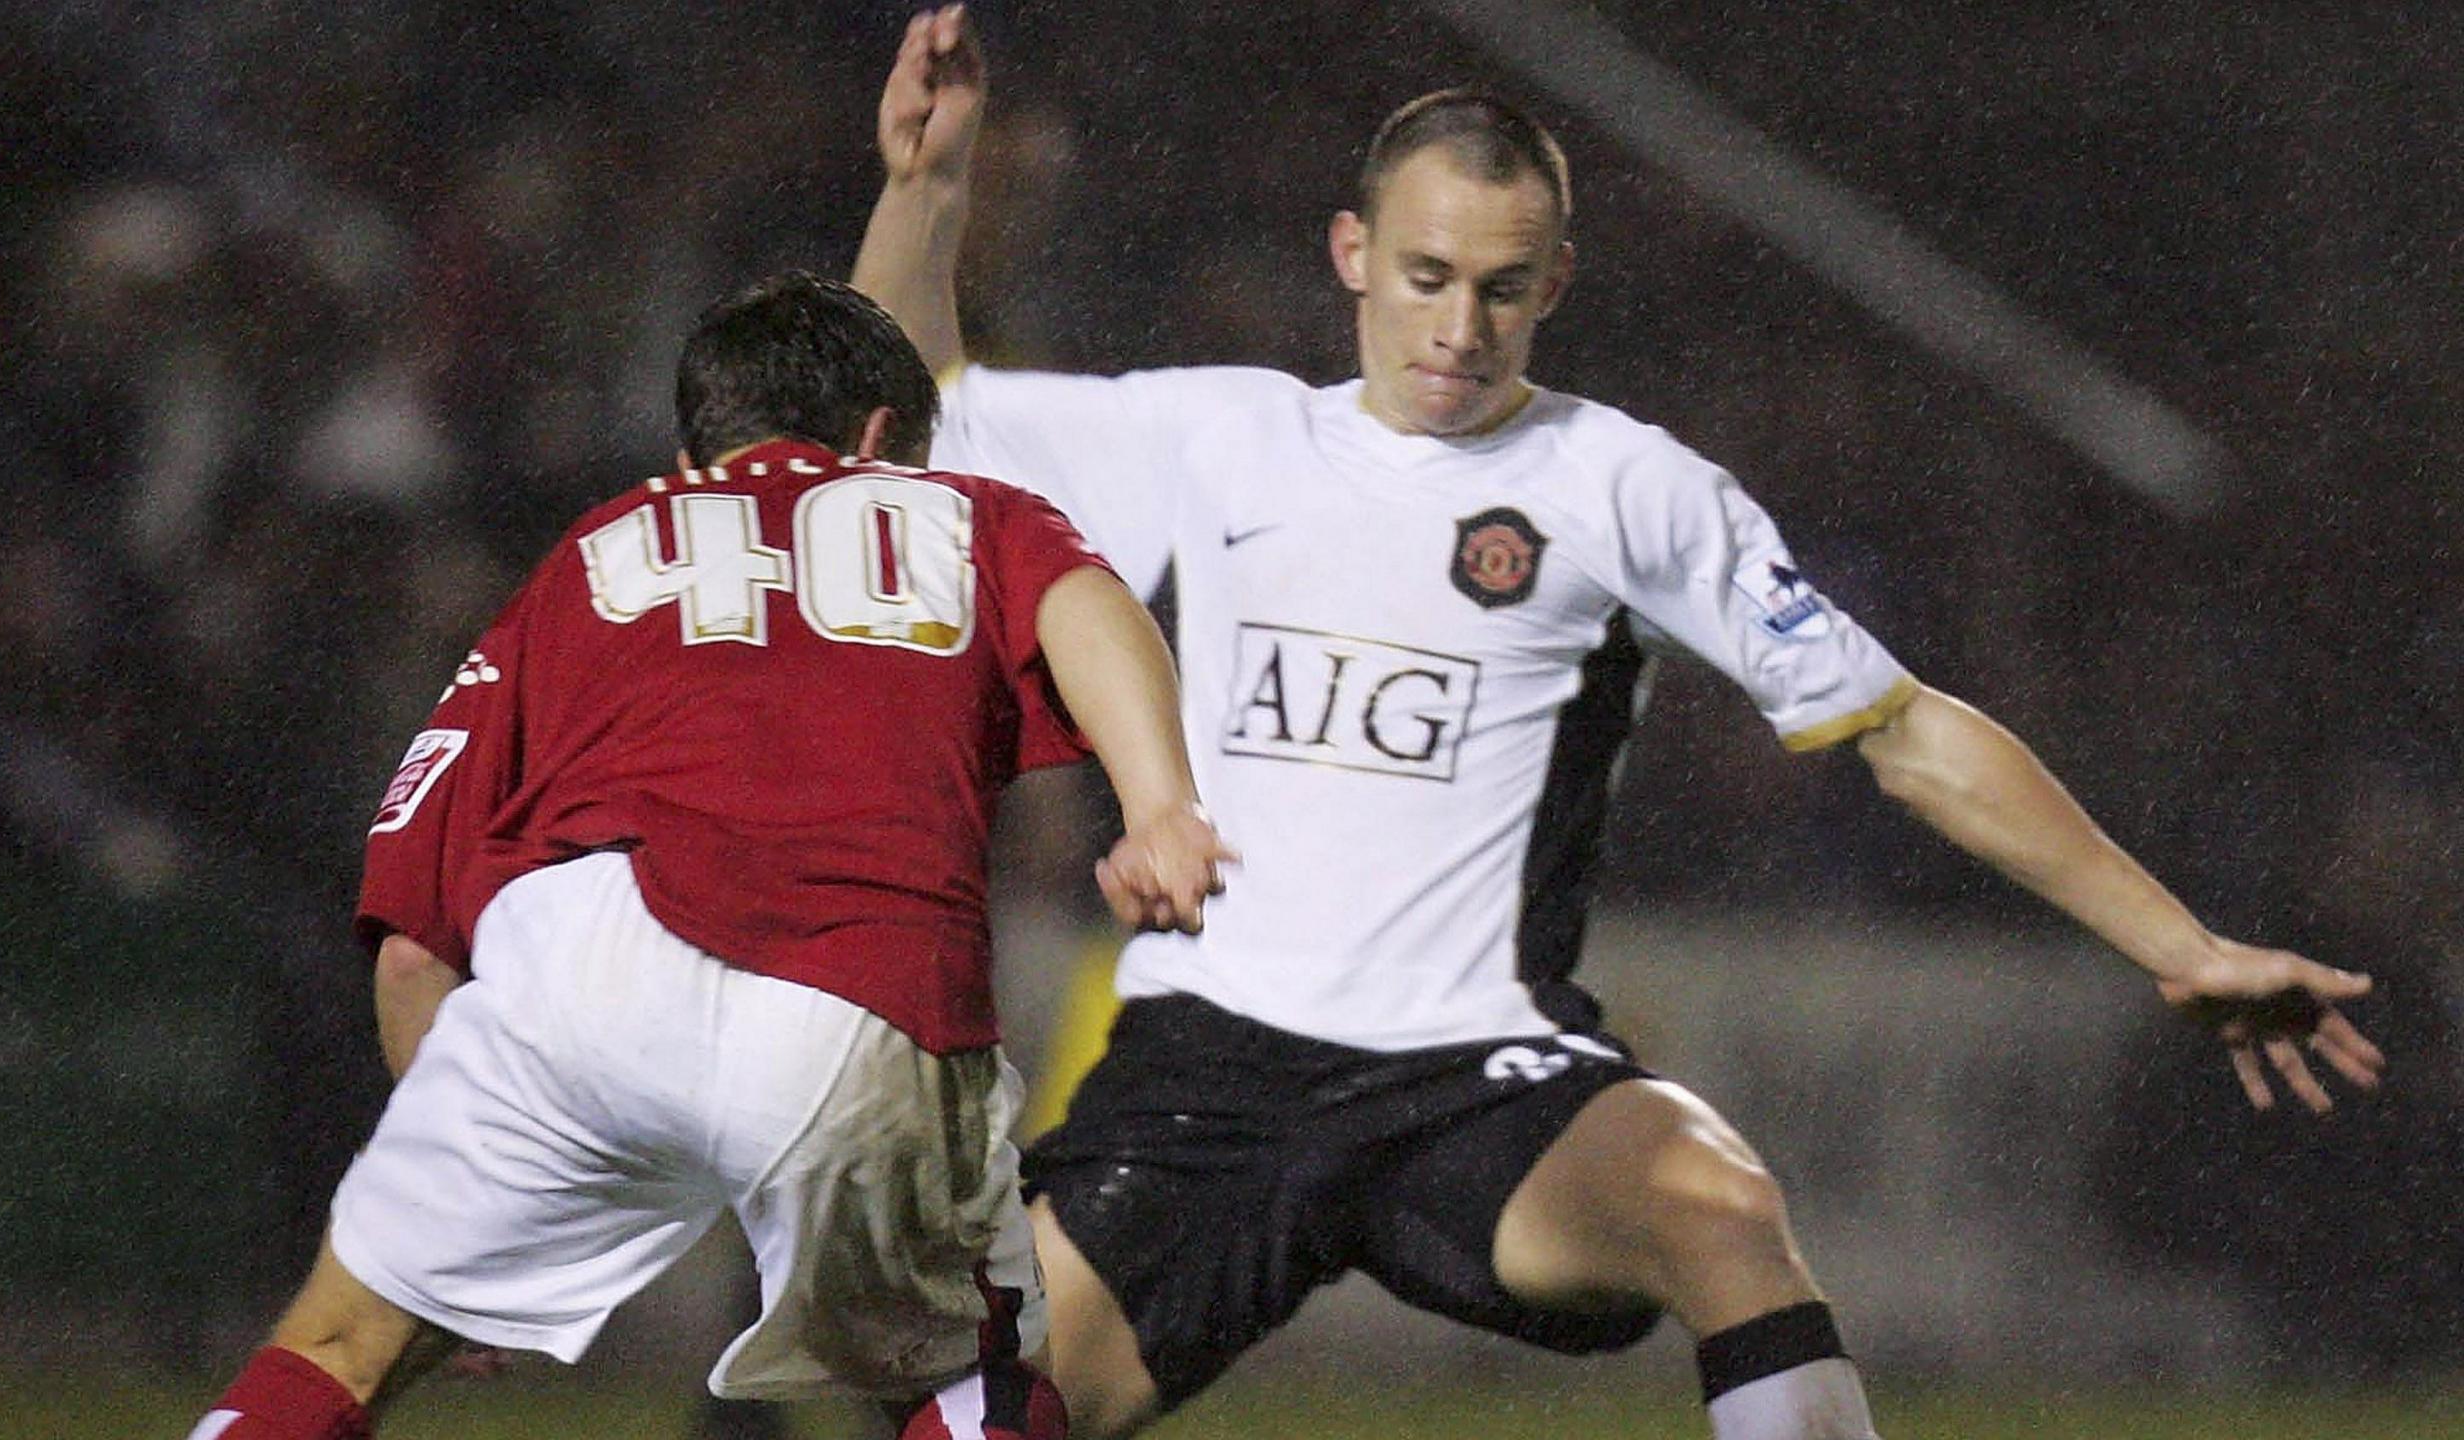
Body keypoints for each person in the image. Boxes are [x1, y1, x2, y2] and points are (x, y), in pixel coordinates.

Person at [847, 11, 2386, 1440]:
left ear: (1556, 283)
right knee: (981, 1419)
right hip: (1211, 1075)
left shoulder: (1627, 488)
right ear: (1352, 254)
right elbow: (908, 406)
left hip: (1480, 1078)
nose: (1460, 327)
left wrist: (2178, 944)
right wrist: (923, 186)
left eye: (1503, 288)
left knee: (1717, 1207)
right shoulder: (1215, 435)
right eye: (1428, 276)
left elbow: (1904, 731)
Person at [184, 270, 1232, 1440]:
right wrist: (1160, 805)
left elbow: (411, 954)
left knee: (336, 1350)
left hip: (586, 975)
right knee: (959, 1386)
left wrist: (464, 1223)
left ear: (703, 452)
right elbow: (1083, 598)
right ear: (883, 436)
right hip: (854, 992)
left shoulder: (595, 550)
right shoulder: (954, 509)